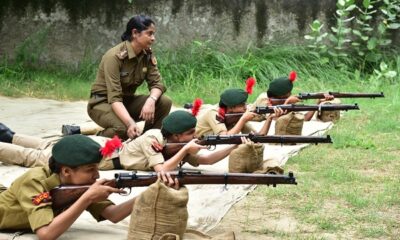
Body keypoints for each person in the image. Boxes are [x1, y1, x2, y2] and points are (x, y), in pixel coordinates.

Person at [0, 134, 179, 239]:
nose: (97, 175)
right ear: (67, 171)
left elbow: (114, 215)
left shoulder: (81, 185)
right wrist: (86, 199)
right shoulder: (34, 181)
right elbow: (46, 234)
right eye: (90, 169)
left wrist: (153, 190)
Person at [0, 110, 242, 172]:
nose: (194, 137)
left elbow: (208, 160)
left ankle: (9, 135)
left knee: (45, 146)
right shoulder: (153, 138)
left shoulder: (176, 143)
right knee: (37, 158)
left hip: (103, 150)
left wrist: (236, 143)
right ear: (177, 136)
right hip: (97, 154)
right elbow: (162, 169)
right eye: (190, 134)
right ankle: (6, 141)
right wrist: (186, 150)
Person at [87, 15, 172, 140]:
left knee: (164, 102)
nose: (153, 38)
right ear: (135, 33)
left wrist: (151, 100)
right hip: (102, 103)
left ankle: (147, 140)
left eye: (153, 34)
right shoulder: (114, 57)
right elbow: (114, 98)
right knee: (122, 129)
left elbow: (157, 84)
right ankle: (96, 140)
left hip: (125, 101)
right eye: (149, 34)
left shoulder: (146, 55)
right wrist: (130, 123)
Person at [195, 77, 284, 137]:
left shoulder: (237, 115)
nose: (246, 107)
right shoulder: (214, 113)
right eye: (242, 105)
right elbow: (224, 138)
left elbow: (259, 136)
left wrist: (269, 119)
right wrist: (243, 120)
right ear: (231, 107)